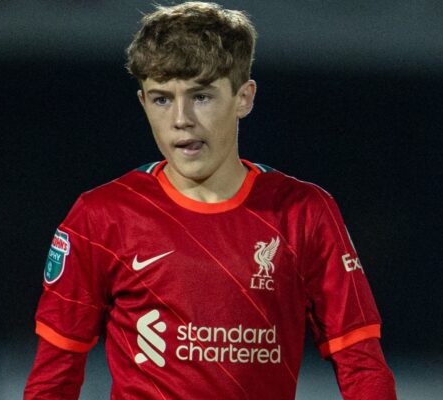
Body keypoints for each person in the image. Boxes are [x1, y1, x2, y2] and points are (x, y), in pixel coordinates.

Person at [24, 2, 396, 399]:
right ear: (142, 103)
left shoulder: (304, 212)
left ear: (244, 97)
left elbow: (361, 364)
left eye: (201, 96)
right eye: (161, 99)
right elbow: (54, 378)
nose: (181, 119)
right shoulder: (101, 217)